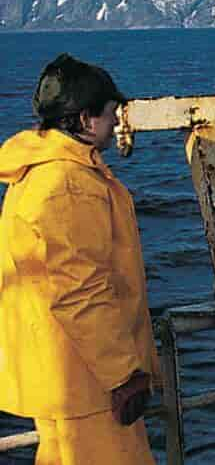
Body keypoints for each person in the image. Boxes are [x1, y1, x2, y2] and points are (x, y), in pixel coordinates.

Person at [0, 54, 158, 465]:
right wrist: (124, 374)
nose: (117, 123)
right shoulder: (67, 183)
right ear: (87, 120)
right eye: (110, 114)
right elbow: (79, 290)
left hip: (61, 375)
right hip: (87, 384)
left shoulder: (36, 170)